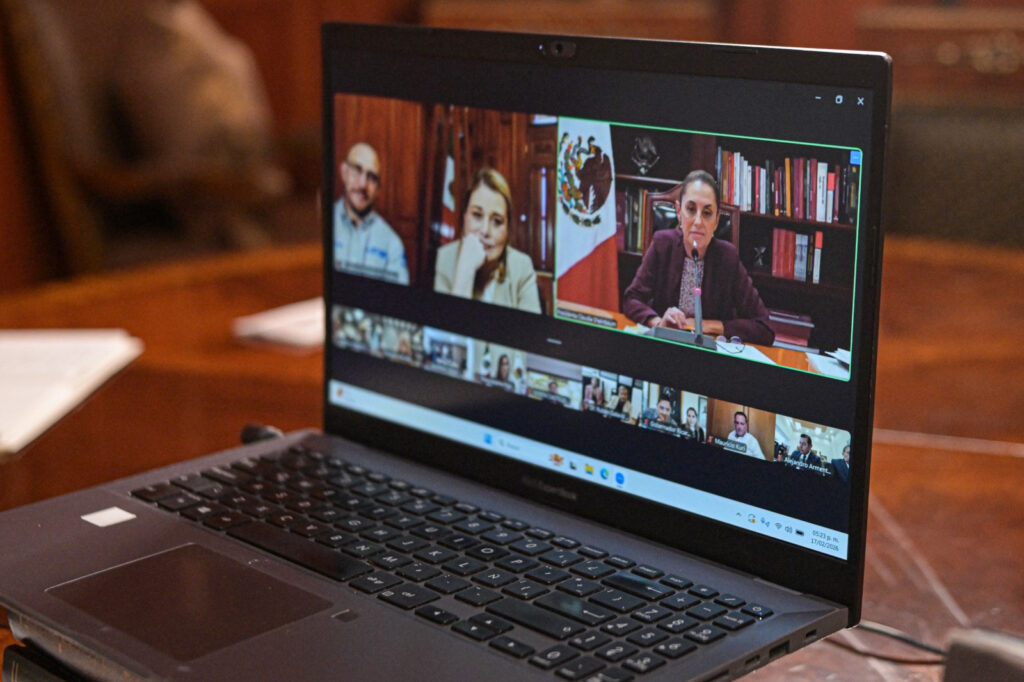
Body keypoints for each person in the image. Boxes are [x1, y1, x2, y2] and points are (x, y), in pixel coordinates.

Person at [622, 170, 774, 346]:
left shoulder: (727, 258)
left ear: (716, 220)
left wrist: (706, 325)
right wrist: (658, 323)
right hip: (666, 346)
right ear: (679, 212)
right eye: (691, 209)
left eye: (707, 213)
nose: (698, 221)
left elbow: (764, 327)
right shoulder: (662, 244)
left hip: (707, 351)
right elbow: (631, 299)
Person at [434, 168, 542, 313]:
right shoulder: (443, 259)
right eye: (477, 215)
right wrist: (465, 270)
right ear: (464, 217)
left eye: (497, 221)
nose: (485, 231)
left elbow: (531, 326)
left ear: (508, 229)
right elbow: (445, 327)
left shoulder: (521, 267)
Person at [333, 142, 409, 284]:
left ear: (378, 189)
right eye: (357, 170)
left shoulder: (392, 244)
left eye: (372, 177)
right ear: (344, 172)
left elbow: (396, 297)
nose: (363, 184)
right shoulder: (321, 226)